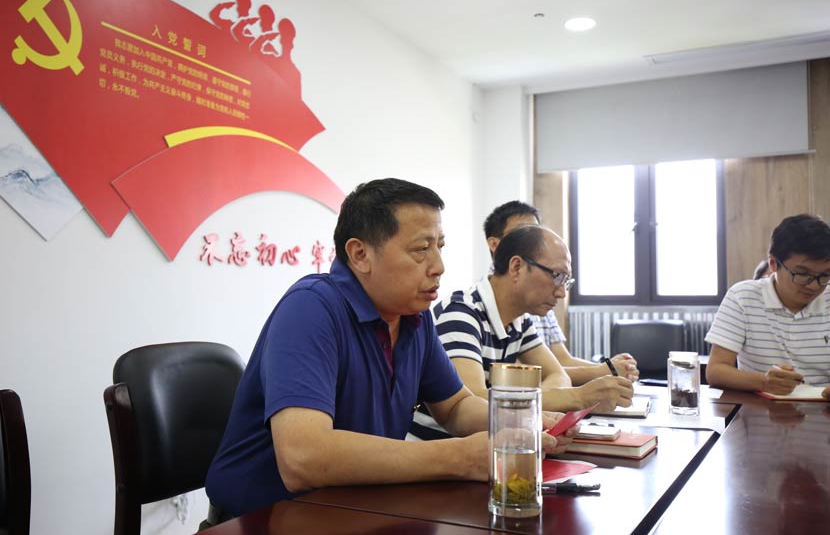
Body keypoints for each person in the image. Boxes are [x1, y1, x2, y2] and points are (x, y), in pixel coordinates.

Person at [205, 179, 570, 520]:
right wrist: (458, 457)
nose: (439, 267)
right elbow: (303, 457)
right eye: (421, 249)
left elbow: (456, 406)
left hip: (356, 509)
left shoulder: (413, 317)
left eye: (440, 247)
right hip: (267, 518)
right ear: (360, 254)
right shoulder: (311, 308)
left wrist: (521, 422)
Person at [409, 224, 633, 441]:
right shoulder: (461, 313)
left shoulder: (520, 320)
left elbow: (558, 374)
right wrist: (575, 397)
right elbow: (474, 401)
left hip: (492, 444)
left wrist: (538, 411)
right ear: (516, 267)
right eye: (557, 275)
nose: (562, 293)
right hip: (438, 449)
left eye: (566, 281)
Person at [483, 201, 638, 383]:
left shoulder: (538, 301)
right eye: (522, 232)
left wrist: (610, 369)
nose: (561, 293)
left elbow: (560, 362)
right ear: (495, 244)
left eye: (536, 231)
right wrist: (604, 372)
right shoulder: (487, 306)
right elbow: (520, 374)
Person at [706, 214, 830, 400]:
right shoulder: (743, 297)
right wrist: (764, 382)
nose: (814, 286)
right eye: (803, 274)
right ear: (773, 264)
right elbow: (715, 371)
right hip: (758, 409)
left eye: (825, 275)